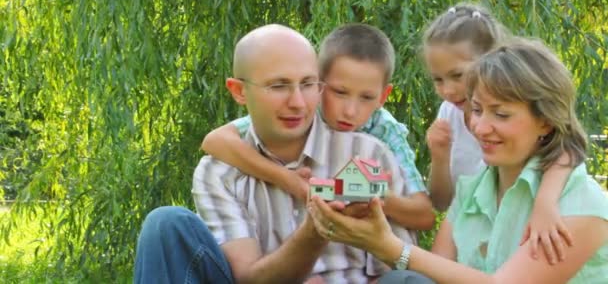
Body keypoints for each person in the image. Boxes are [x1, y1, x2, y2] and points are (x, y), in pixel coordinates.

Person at [134, 24, 434, 283]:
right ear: (238, 91)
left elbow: (398, 263)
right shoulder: (218, 172)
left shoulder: (368, 151)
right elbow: (248, 278)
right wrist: (315, 232)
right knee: (165, 223)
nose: (298, 103)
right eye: (279, 86)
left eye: (307, 84)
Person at [308, 39, 608, 283]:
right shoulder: (473, 190)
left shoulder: (580, 202)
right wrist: (367, 232)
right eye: (476, 110)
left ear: (545, 122)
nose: (479, 127)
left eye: (501, 114)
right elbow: (435, 271)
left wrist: (387, 246)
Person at [201, 23, 433, 231]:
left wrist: (372, 195)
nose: (350, 111)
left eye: (366, 97)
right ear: (317, 83)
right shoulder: (301, 114)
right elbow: (214, 141)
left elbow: (424, 215)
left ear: (383, 96)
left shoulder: (384, 129)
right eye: (339, 92)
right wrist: (288, 179)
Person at [423, 3, 574, 262]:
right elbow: (441, 201)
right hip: (473, 236)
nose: (448, 90)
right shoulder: (448, 115)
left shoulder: (532, 121)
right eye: (437, 79)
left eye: (457, 75)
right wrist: (439, 156)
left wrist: (545, 204)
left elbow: (567, 149)